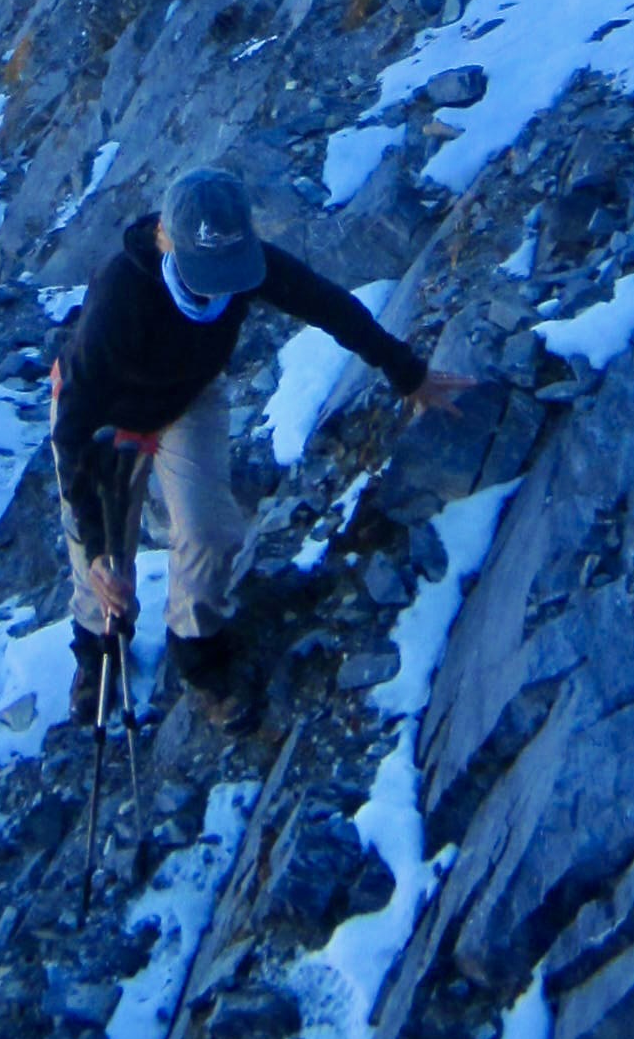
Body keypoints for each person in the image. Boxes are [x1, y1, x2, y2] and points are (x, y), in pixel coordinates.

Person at [51, 162, 463, 708]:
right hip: (105, 415)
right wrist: (100, 549)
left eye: (229, 267)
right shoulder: (120, 297)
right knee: (100, 559)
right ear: (164, 236)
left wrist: (407, 373)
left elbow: (327, 304)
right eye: (207, 269)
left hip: (188, 398)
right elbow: (75, 428)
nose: (222, 282)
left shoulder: (244, 264)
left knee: (211, 532)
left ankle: (197, 649)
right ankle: (98, 650)